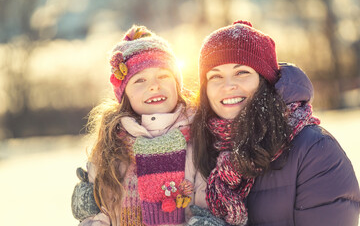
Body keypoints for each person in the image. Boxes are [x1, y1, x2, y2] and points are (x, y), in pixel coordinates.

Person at [188, 20, 360, 226]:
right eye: (215, 76)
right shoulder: (197, 149)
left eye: (241, 72)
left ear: (265, 81)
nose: (228, 85)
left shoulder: (315, 151)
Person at [71, 25, 207, 226]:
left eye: (163, 76)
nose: (153, 85)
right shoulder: (110, 148)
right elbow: (98, 215)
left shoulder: (198, 139)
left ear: (177, 84)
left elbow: (204, 209)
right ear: (124, 94)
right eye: (140, 80)